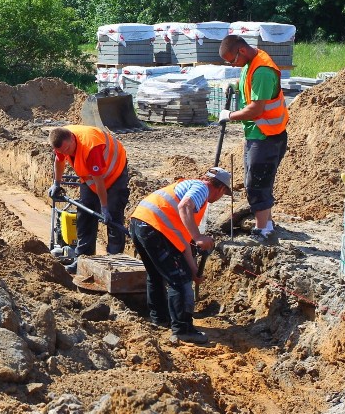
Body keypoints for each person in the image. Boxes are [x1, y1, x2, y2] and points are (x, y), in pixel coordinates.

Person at [129, 167, 232, 344]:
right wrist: (198, 237)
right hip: (154, 228)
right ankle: (183, 330)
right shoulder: (202, 189)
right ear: (221, 189)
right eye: (223, 194)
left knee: (156, 275)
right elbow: (185, 206)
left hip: (140, 223)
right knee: (180, 280)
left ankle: (160, 319)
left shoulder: (188, 190)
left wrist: (193, 271)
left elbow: (183, 242)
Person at [217, 34, 289, 241]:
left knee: (258, 184)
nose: (234, 65)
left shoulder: (263, 70)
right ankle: (267, 223)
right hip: (257, 134)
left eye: (232, 61)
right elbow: (249, 89)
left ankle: (263, 232)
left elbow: (256, 110)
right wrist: (232, 85)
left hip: (268, 136)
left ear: (241, 50)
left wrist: (229, 115)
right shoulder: (250, 63)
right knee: (256, 181)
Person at [47, 125, 130, 274]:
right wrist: (56, 183)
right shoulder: (61, 141)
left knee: (113, 215)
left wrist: (104, 208)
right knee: (85, 212)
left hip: (115, 171)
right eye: (62, 151)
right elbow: (59, 161)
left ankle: (114, 263)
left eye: (67, 149)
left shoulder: (91, 148)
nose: (66, 153)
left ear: (72, 138)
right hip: (90, 175)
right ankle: (83, 259)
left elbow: (100, 183)